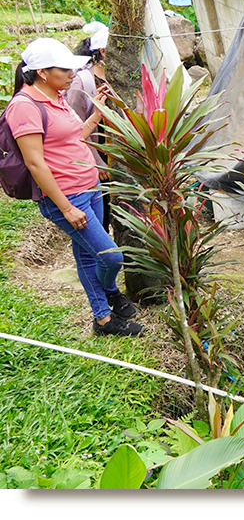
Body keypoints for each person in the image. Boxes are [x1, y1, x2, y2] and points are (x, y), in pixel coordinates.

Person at [8, 38, 143, 336]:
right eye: (66, 69)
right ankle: (110, 292)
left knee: (85, 255)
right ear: (43, 72)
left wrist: (96, 114)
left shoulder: (57, 97)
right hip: (66, 196)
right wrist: (66, 208)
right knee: (110, 256)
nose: (73, 75)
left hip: (90, 184)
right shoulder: (24, 106)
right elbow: (36, 163)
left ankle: (103, 321)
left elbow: (72, 137)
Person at [67, 21, 112, 231]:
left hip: (117, 155)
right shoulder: (82, 81)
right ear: (103, 51)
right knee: (101, 214)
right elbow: (75, 127)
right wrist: (96, 162)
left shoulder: (117, 78)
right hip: (98, 154)